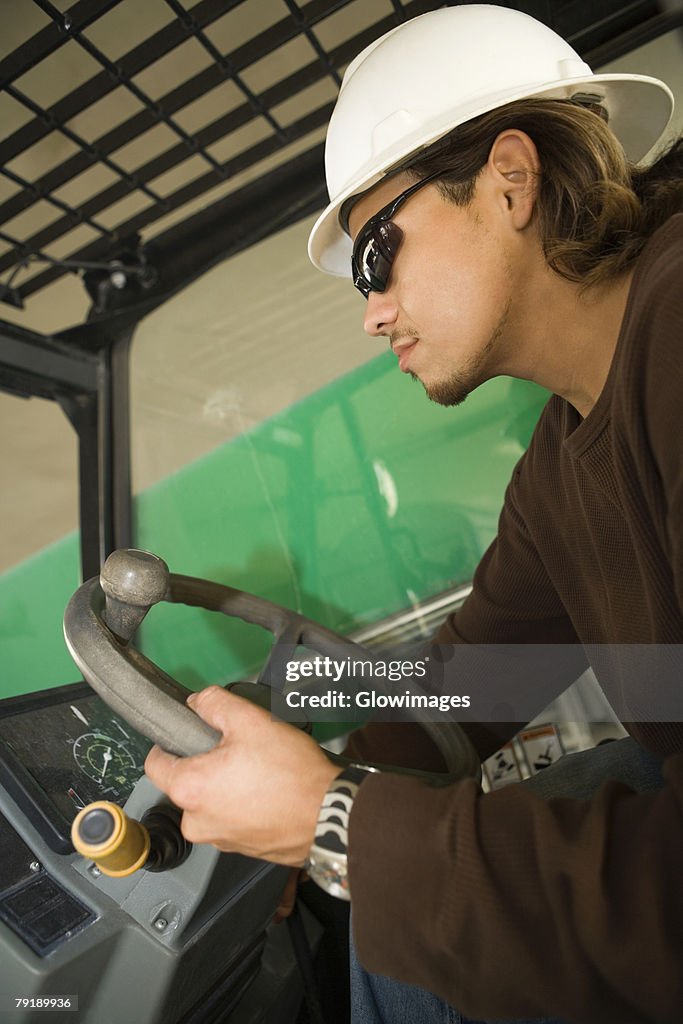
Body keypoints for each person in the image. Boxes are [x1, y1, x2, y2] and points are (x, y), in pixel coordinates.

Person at [145, 5, 683, 1022]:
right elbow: (468, 684)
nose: (370, 310)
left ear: (508, 180)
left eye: (372, 254)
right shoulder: (561, 461)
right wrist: (304, 791)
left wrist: (332, 819)